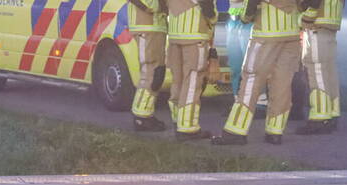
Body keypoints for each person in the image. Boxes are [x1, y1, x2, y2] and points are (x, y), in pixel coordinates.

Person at [211, 0, 303, 146]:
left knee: (251, 79)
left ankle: (236, 131)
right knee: (282, 84)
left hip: (266, 33)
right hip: (291, 35)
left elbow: (250, 6)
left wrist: (246, 17)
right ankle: (275, 132)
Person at [167, 0, 218, 140]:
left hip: (174, 34)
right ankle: (187, 128)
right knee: (193, 81)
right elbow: (206, 3)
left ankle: (178, 121)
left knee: (177, 80)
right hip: (194, 34)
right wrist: (213, 19)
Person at [297, 0, 343, 135]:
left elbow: (314, 2)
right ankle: (332, 113)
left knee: (316, 72)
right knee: (329, 73)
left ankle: (320, 117)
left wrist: (305, 19)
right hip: (330, 26)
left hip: (316, 27)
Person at [130, 0, 170, 132]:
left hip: (154, 26)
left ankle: (145, 113)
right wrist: (162, 5)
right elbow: (148, 4)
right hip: (147, 26)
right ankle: (141, 116)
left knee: (155, 72)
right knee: (151, 72)